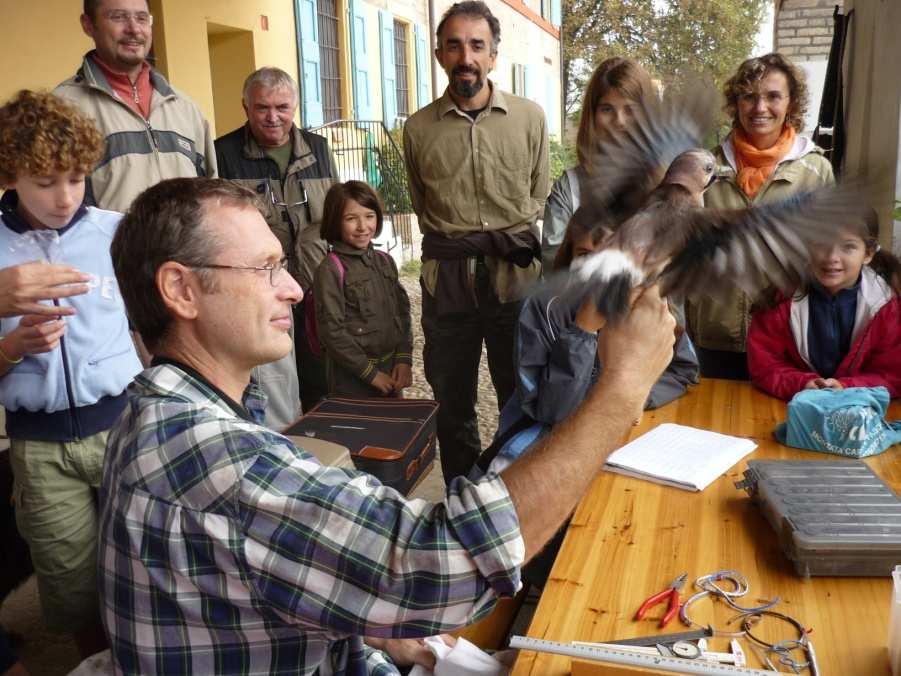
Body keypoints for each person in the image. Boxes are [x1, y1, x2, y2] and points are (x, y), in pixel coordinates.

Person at [101, 176, 676, 675]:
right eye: (265, 268)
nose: (293, 288)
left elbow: (254, 583)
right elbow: (448, 562)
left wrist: (376, 628)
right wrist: (622, 386)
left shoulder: (159, 408)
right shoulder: (214, 456)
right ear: (180, 289)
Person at [0, 90, 142, 659]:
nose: (64, 198)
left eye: (77, 178)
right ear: (10, 173)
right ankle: (95, 661)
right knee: (70, 577)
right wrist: (12, 347)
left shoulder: (116, 233)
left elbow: (150, 326)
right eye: (45, 181)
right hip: (38, 445)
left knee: (141, 556)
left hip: (121, 428)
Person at [403, 1, 549, 483]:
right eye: (454, 45)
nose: (465, 55)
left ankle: (518, 497)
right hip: (448, 281)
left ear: (493, 55)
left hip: (517, 278)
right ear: (440, 54)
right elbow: (423, 205)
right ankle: (464, 501)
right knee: (452, 399)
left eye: (476, 45)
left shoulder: (529, 118)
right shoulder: (418, 129)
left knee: (521, 393)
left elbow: (538, 191)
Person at [686, 52, 834, 380]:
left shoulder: (815, 171)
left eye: (772, 96)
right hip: (712, 336)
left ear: (791, 102)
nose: (760, 107)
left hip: (787, 341)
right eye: (749, 96)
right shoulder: (705, 168)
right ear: (736, 102)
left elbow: (829, 255)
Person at [216, 67, 339, 416]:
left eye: (282, 107)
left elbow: (334, 215)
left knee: (321, 386)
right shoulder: (223, 153)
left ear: (295, 107)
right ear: (245, 108)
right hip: (261, 293)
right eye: (262, 108)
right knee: (272, 391)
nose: (273, 117)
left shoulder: (319, 149)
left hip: (317, 287)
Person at [54, 0, 216, 213]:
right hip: (112, 247)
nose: (134, 29)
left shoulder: (185, 107)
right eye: (118, 17)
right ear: (88, 25)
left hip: (187, 246)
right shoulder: (61, 109)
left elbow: (211, 194)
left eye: (141, 18)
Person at [747, 212, 901, 400]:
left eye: (848, 247)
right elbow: (765, 365)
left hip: (862, 413)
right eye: (821, 243)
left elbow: (892, 375)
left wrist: (846, 387)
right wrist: (802, 384)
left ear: (867, 254)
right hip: (788, 408)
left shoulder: (888, 305)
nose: (832, 257)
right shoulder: (779, 298)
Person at [541, 57, 655, 270]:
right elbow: (554, 269)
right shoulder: (570, 188)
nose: (619, 121)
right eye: (607, 109)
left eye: (630, 110)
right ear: (592, 116)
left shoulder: (667, 185)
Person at [313, 181, 413, 398]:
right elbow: (331, 332)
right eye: (351, 218)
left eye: (369, 216)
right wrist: (371, 374)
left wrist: (404, 359)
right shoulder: (331, 269)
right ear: (334, 221)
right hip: (352, 379)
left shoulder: (385, 261)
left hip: (391, 373)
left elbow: (402, 313)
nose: (362, 226)